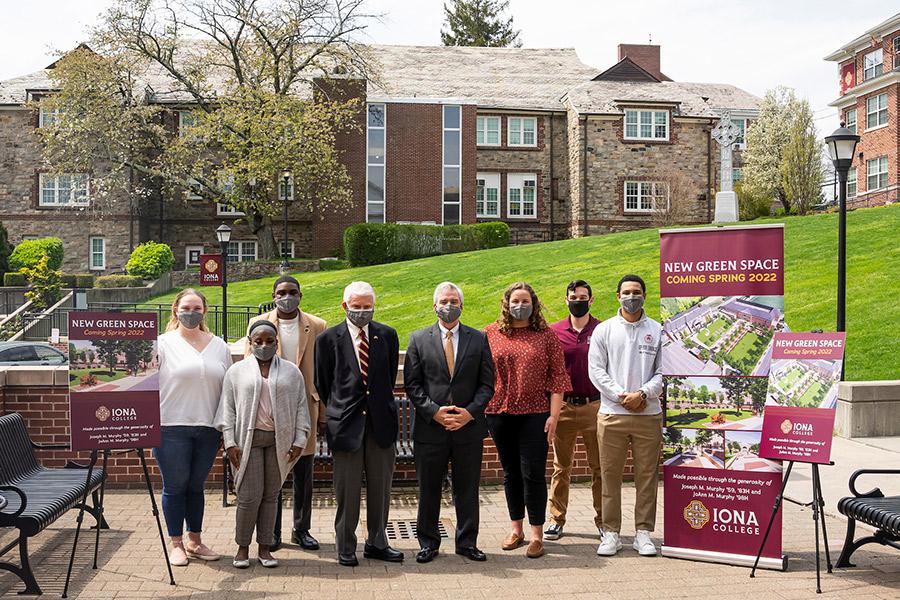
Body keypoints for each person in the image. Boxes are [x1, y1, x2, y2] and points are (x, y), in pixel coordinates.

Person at [404, 282, 495, 564]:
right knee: (428, 489)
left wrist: (469, 413)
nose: (449, 305)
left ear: (462, 306)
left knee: (467, 489)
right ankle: (428, 543)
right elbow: (413, 384)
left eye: (454, 300)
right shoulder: (418, 339)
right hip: (431, 429)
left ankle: (467, 543)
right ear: (434, 306)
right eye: (444, 301)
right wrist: (435, 412)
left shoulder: (478, 339)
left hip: (468, 429)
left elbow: (487, 383)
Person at [315, 281, 403, 566]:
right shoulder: (328, 340)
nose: (362, 312)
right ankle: (345, 546)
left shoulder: (387, 336)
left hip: (381, 424)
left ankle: (377, 542)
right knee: (347, 491)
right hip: (346, 425)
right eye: (357, 307)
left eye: (367, 307)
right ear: (345, 306)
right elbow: (324, 383)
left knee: (380, 489)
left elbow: (388, 378)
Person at [484, 282, 571, 559]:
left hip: (535, 414)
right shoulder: (490, 334)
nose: (520, 305)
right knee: (511, 474)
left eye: (525, 300)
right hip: (500, 413)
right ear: (506, 303)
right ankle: (515, 529)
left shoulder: (546, 336)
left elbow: (557, 378)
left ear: (534, 303)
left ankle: (536, 534)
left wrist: (554, 416)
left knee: (533, 473)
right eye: (515, 300)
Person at [217, 320, 311, 569]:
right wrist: (229, 442)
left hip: (278, 441)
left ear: (277, 343)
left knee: (271, 496)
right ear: (250, 343)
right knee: (249, 497)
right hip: (248, 441)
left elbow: (302, 407)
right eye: (258, 341)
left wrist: (300, 439)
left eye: (270, 341)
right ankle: (242, 547)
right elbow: (227, 410)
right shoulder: (236, 372)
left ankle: (266, 548)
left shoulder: (292, 371)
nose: (264, 345)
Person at [245, 275, 327, 551]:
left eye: (293, 292)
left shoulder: (317, 325)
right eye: (282, 292)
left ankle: (301, 529)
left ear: (300, 295)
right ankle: (273, 531)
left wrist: (324, 412)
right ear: (273, 294)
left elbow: (324, 373)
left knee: (304, 473)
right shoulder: (259, 325)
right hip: (270, 410)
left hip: (306, 407)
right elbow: (248, 368)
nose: (287, 296)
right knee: (274, 475)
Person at [155, 288, 232, 566]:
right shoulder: (161, 344)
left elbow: (228, 388)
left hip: (208, 428)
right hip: (170, 426)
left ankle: (195, 541)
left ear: (204, 311)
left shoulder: (219, 346)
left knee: (196, 487)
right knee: (175, 486)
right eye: (186, 308)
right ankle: (176, 544)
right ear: (175, 310)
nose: (191, 313)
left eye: (197, 308)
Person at [588, 274, 663, 557]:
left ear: (645, 295)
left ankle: (643, 533)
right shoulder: (604, 330)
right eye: (627, 292)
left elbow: (664, 372)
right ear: (617, 296)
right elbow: (596, 370)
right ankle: (611, 533)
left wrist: (643, 394)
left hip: (648, 413)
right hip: (612, 413)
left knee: (647, 475)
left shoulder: (658, 331)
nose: (632, 297)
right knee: (610, 476)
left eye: (637, 292)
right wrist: (621, 395)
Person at [545, 280, 604, 541]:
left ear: (591, 300)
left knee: (600, 467)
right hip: (565, 406)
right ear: (565, 299)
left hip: (596, 405)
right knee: (561, 467)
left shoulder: (602, 330)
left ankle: (605, 521)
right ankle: (556, 519)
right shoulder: (554, 331)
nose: (577, 300)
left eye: (582, 297)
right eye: (573, 296)